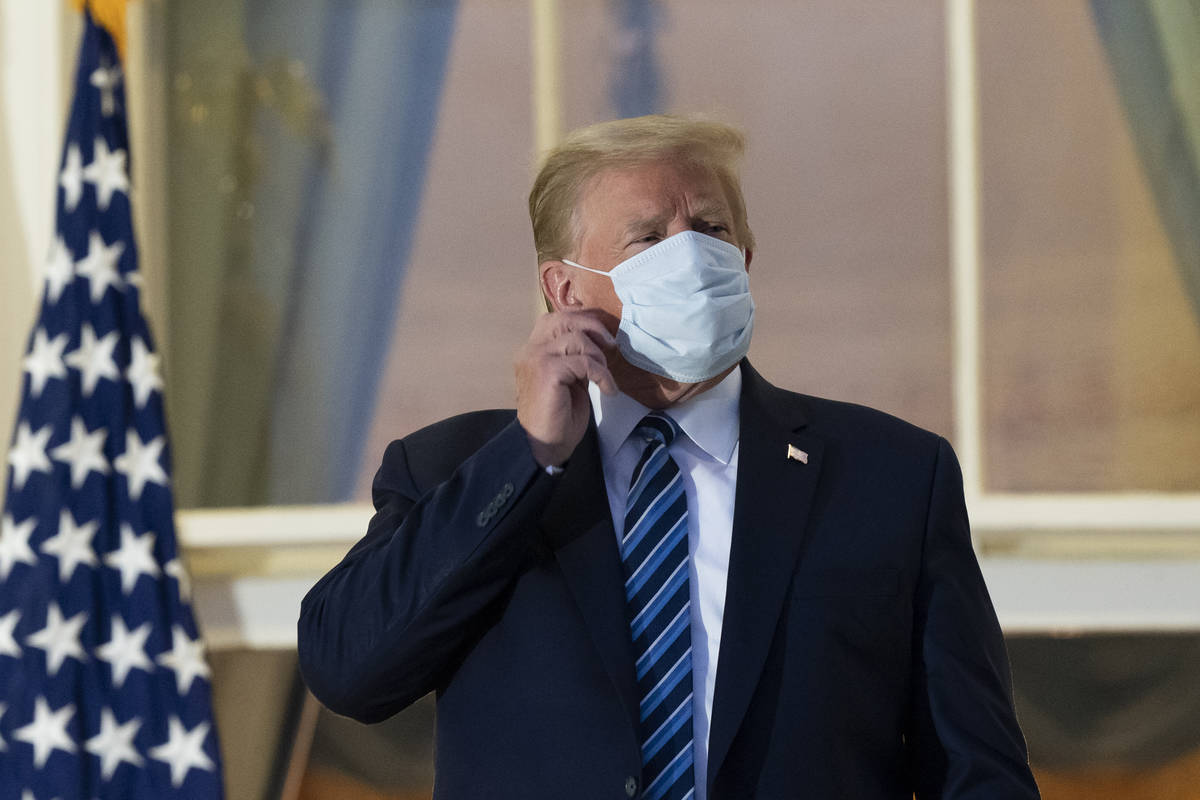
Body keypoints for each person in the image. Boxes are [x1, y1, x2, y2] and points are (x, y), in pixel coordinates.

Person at [297, 115, 1039, 800]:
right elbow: (348, 670)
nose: (691, 254)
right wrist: (529, 456)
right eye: (648, 238)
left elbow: (976, 770)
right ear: (563, 288)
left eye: (711, 228)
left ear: (745, 260)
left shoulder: (890, 478)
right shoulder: (451, 468)